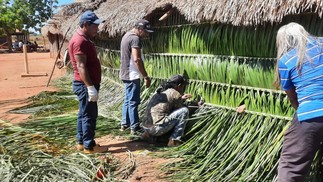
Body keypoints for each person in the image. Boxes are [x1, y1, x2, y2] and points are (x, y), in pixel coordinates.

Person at [275, 22, 323, 181]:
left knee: (291, 166)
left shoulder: (286, 60)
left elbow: (292, 97)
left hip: (311, 113)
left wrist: (303, 112)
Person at [68, 10, 107, 154]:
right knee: (90, 115)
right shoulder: (80, 41)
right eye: (95, 26)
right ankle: (89, 146)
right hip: (85, 85)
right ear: (85, 25)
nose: (97, 28)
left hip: (85, 83)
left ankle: (81, 142)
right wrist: (90, 87)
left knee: (83, 113)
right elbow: (81, 65)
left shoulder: (84, 39)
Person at [119, 19, 153, 134]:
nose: (147, 34)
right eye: (145, 32)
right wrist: (146, 76)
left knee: (128, 100)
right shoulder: (135, 38)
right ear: (139, 29)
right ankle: (135, 127)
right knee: (133, 102)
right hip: (132, 74)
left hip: (125, 73)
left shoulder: (126, 35)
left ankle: (125, 124)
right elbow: (137, 59)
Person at [141, 74, 193, 147]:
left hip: (146, 127)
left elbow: (167, 103)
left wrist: (181, 99)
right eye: (183, 86)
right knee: (184, 111)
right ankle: (174, 140)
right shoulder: (175, 94)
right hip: (156, 129)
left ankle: (148, 135)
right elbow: (181, 112)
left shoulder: (160, 91)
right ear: (179, 85)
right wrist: (195, 105)